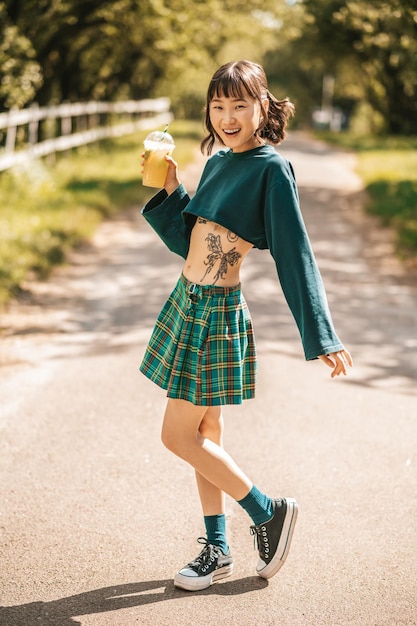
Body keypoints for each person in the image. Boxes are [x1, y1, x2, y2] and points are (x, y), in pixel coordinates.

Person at [139, 60, 353, 592]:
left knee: (176, 435)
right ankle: (218, 549)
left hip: (216, 312)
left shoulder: (270, 169)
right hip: (186, 302)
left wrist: (320, 333)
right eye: (218, 106)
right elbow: (187, 244)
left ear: (264, 107)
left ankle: (267, 511)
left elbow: (293, 253)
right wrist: (170, 191)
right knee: (204, 433)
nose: (228, 117)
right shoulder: (216, 163)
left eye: (240, 105)